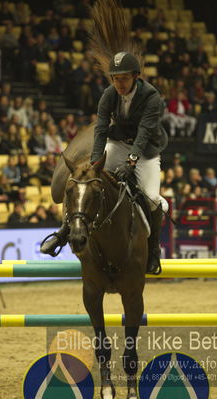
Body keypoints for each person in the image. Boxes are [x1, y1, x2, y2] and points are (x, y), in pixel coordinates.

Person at [41, 52, 169, 274]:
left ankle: (153, 249)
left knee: (152, 200)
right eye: (115, 78)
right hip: (117, 144)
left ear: (136, 77)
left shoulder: (151, 97)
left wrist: (131, 163)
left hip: (146, 150)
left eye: (124, 78)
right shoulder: (109, 95)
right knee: (85, 182)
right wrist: (94, 164)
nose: (119, 83)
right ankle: (63, 231)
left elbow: (144, 133)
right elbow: (100, 131)